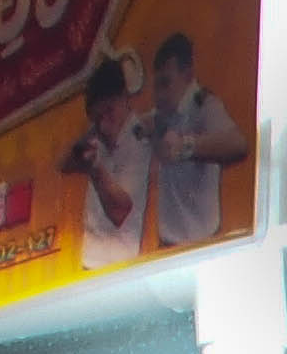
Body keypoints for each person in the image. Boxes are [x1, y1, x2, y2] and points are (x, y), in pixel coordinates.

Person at [138, 31, 248, 252]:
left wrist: (186, 146)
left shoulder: (204, 106)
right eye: (156, 86)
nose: (158, 95)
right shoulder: (159, 115)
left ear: (187, 77)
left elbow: (238, 145)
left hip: (205, 244)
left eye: (165, 84)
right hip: (166, 244)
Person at [61, 62, 147, 269]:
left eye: (110, 111)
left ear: (124, 97)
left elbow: (119, 212)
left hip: (120, 267)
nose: (105, 123)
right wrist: (92, 133)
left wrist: (96, 167)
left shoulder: (139, 140)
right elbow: (63, 165)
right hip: (88, 263)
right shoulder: (98, 135)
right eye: (98, 117)